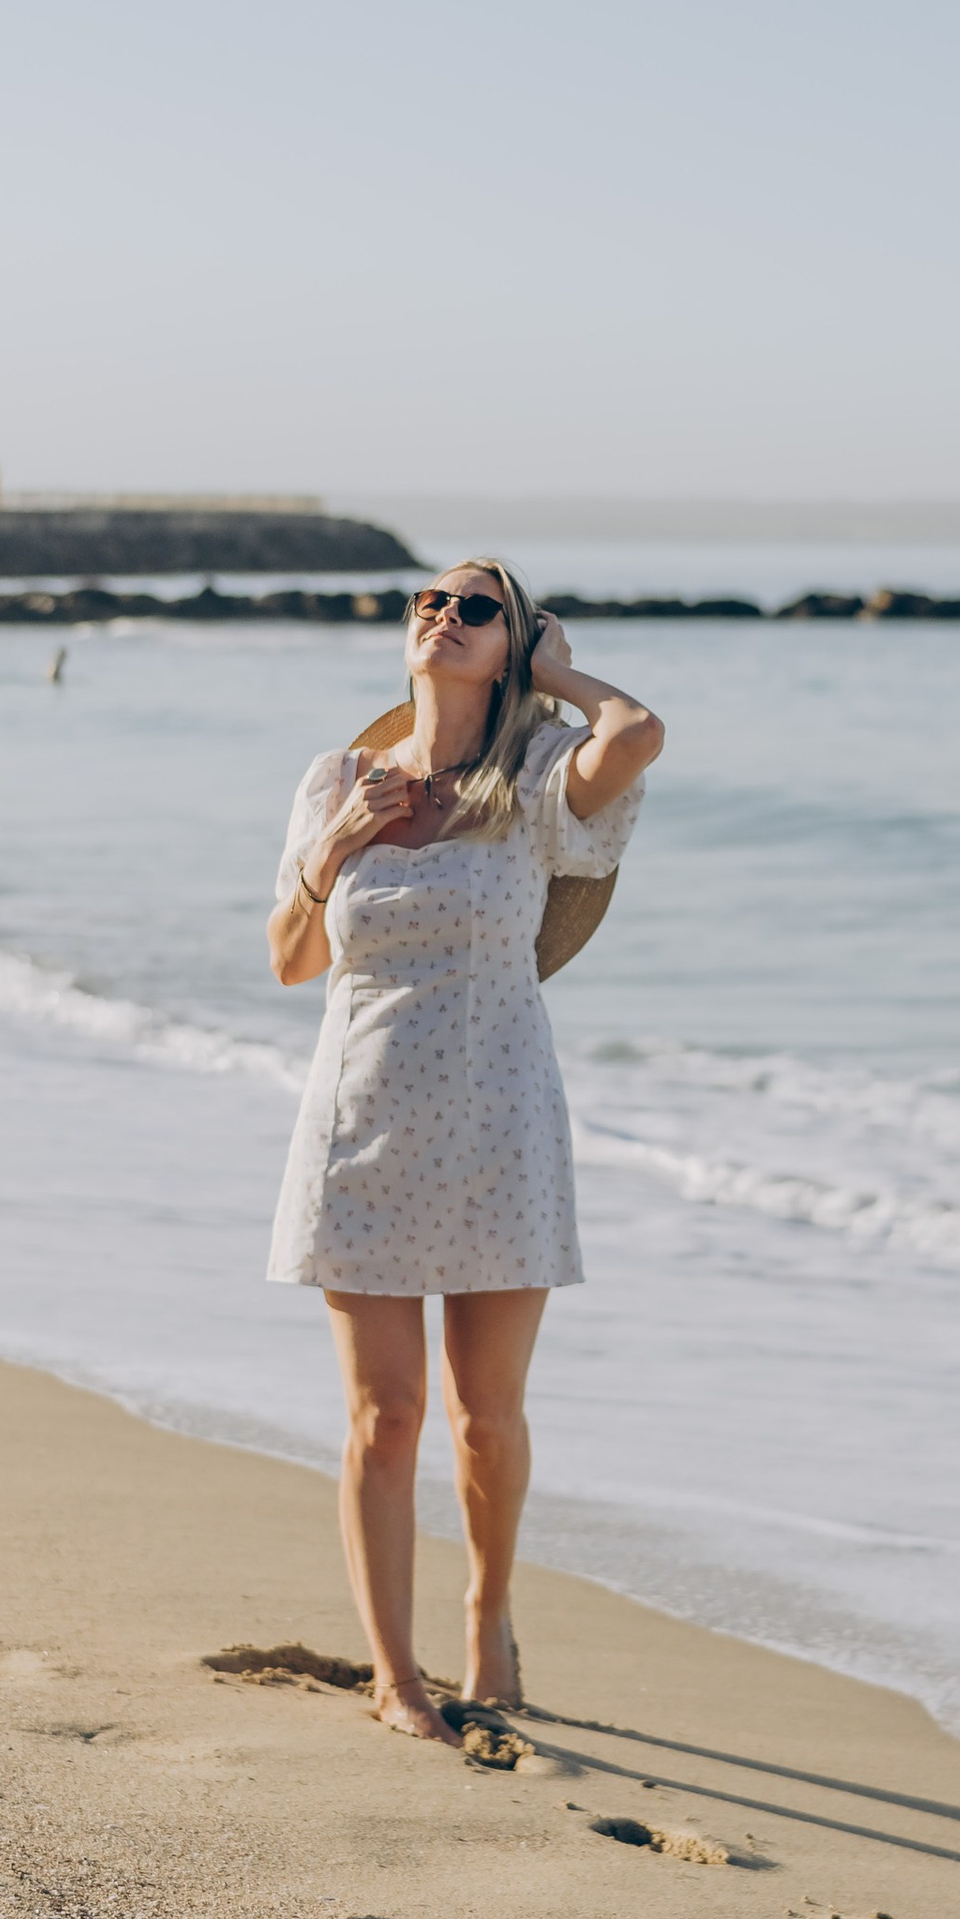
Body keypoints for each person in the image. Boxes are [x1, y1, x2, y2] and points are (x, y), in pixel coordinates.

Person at [266, 561, 662, 1744]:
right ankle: (395, 1677)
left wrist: (558, 675)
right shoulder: (336, 778)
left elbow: (634, 733)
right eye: (430, 602)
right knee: (383, 1418)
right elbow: (290, 957)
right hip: (362, 1122)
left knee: (486, 1417)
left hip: (500, 1120)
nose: (444, 617)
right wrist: (336, 841)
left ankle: (488, 1614)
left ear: (512, 644)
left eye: (476, 608)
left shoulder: (538, 779)